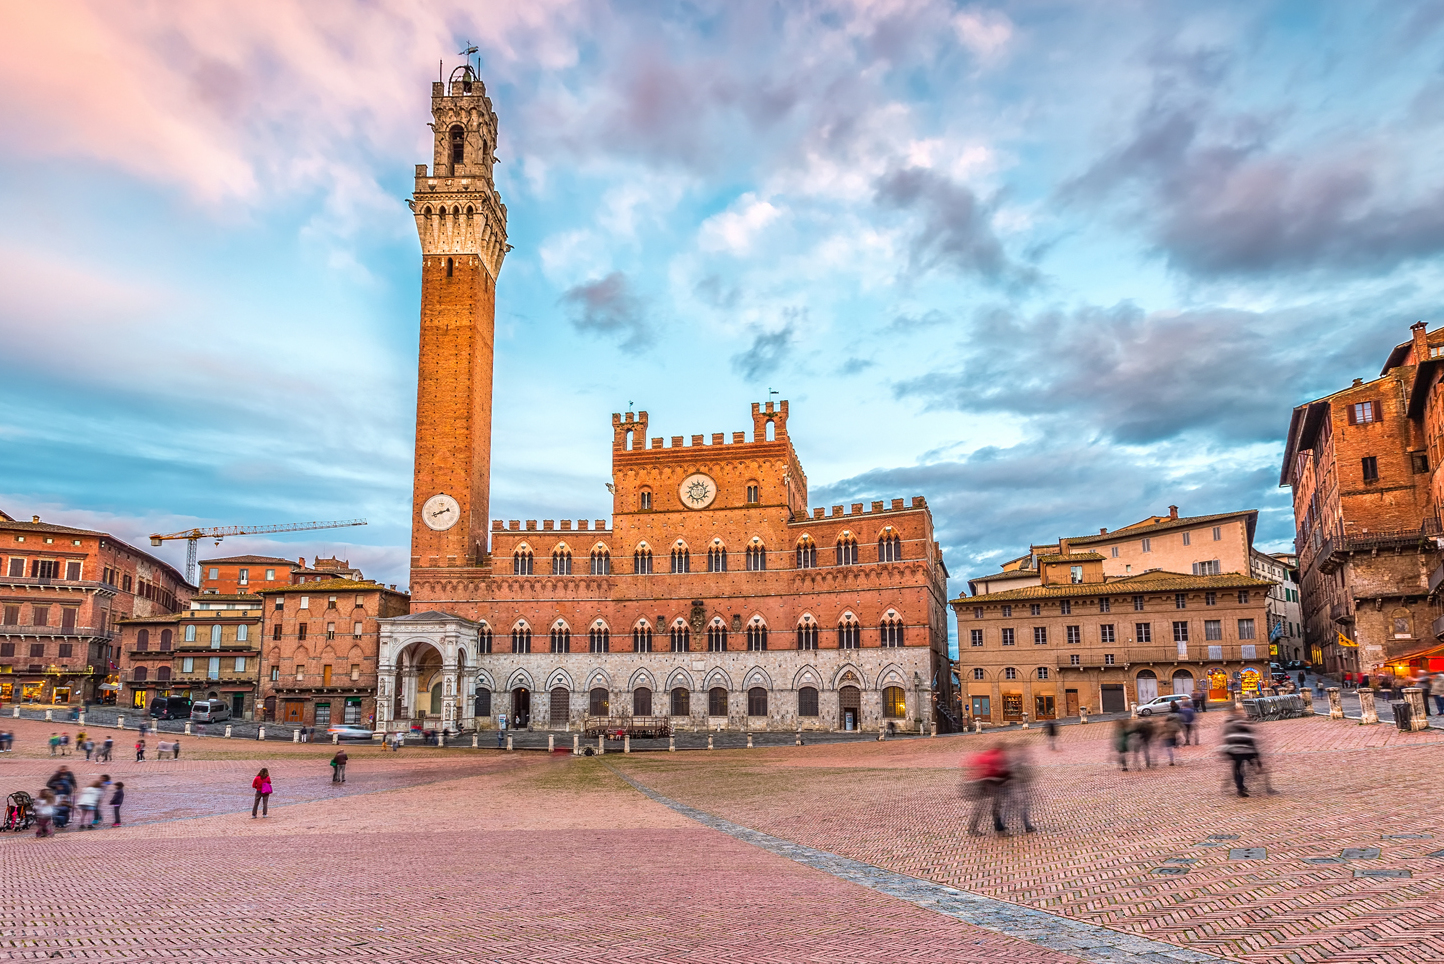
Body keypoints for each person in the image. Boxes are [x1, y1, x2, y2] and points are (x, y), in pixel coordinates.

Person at [964, 744, 1010, 835]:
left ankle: (997, 826)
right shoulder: (997, 757)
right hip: (988, 785)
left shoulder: (989, 755)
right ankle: (974, 829)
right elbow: (998, 771)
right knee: (987, 807)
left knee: (989, 807)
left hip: (984, 784)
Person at [1221, 710, 1260, 797]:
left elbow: (1227, 739)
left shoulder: (1228, 726)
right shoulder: (1243, 726)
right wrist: (1257, 755)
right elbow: (1250, 740)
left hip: (1234, 750)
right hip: (1244, 750)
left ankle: (1240, 786)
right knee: (1241, 769)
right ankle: (1240, 787)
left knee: (1238, 769)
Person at [1002, 745, 1037, 833]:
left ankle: (1001, 825)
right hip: (1018, 788)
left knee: (1008, 807)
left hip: (1012, 787)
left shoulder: (1011, 759)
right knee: (1022, 806)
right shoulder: (1019, 761)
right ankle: (1027, 826)